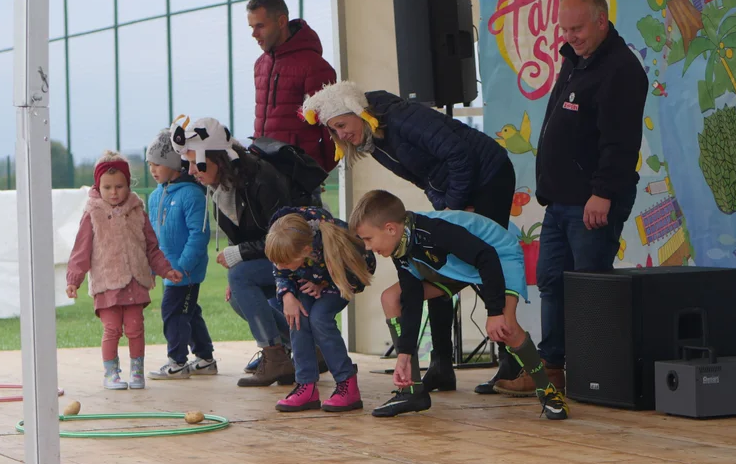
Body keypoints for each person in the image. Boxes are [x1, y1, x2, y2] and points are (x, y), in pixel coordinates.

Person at [301, 80, 517, 395]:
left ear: (359, 112)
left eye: (343, 125)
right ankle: (441, 363)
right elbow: (423, 177)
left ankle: (513, 360)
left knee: (478, 265)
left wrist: (454, 212)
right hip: (455, 191)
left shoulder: (403, 119)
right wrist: (445, 206)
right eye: (334, 130)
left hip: (487, 177)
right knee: (438, 265)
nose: (341, 134)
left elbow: (459, 156)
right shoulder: (374, 141)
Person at [498, 0, 647, 399]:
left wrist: (601, 193)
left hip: (591, 202)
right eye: (564, 29)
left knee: (589, 288)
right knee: (551, 282)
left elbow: (620, 142)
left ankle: (595, 372)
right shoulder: (574, 60)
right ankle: (551, 368)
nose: (570, 36)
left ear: (602, 21)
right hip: (560, 201)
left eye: (577, 28)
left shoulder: (620, 69)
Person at [350, 189, 562, 420]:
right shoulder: (398, 244)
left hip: (497, 256)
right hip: (459, 265)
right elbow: (411, 298)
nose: (367, 247)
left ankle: (547, 389)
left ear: (390, 228)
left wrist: (494, 312)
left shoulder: (434, 231)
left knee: (506, 327)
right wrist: (405, 352)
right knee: (391, 298)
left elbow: (486, 256)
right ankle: (412, 391)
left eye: (368, 239)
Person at [182, 137, 297, 387]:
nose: (191, 171)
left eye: (196, 163)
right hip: (275, 260)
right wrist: (240, 268)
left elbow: (285, 237)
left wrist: (240, 259)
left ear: (219, 161)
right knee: (236, 294)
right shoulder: (222, 189)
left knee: (240, 278)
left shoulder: (261, 178)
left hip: (301, 260)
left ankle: (274, 356)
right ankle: (303, 346)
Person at [66, 152, 182, 389]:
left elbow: (151, 247)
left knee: (135, 327)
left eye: (119, 186)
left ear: (128, 184)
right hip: (107, 284)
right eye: (107, 187)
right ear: (98, 187)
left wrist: (165, 270)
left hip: (135, 282)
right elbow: (81, 250)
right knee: (111, 329)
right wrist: (73, 280)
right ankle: (111, 373)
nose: (114, 192)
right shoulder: (92, 214)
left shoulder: (137, 211)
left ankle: (136, 371)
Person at [265, 207, 376, 413]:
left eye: (286, 262)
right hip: (307, 283)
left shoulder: (339, 242)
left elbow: (359, 276)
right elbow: (281, 272)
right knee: (298, 317)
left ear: (306, 251)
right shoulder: (286, 240)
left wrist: (324, 284)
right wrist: (287, 295)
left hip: (340, 283)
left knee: (319, 319)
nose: (281, 265)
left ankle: (347, 385)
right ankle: (305, 386)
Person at [145, 129, 217, 380]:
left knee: (174, 313)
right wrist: (155, 268)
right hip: (169, 272)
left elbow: (199, 235)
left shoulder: (192, 195)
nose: (153, 169)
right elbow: (152, 237)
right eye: (150, 164)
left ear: (175, 164)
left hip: (185, 271)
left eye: (158, 164)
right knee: (189, 312)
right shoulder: (155, 196)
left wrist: (184, 266)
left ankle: (177, 362)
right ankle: (206, 358)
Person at [247, 0, 337, 172]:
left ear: (281, 22)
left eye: (260, 26)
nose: (254, 34)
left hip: (298, 176)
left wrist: (316, 172)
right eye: (251, 27)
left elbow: (331, 127)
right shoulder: (260, 65)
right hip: (263, 173)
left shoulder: (314, 66)